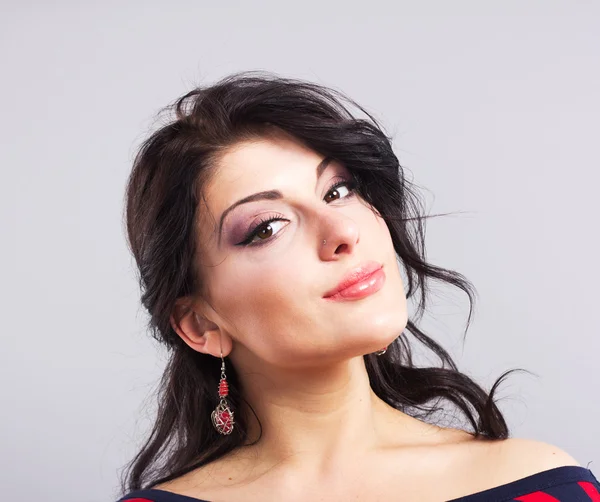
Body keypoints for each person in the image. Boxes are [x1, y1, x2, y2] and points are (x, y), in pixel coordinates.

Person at [115, 71, 599, 501]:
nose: (343, 232)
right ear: (200, 324)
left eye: (338, 191)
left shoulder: (543, 487)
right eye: (268, 227)